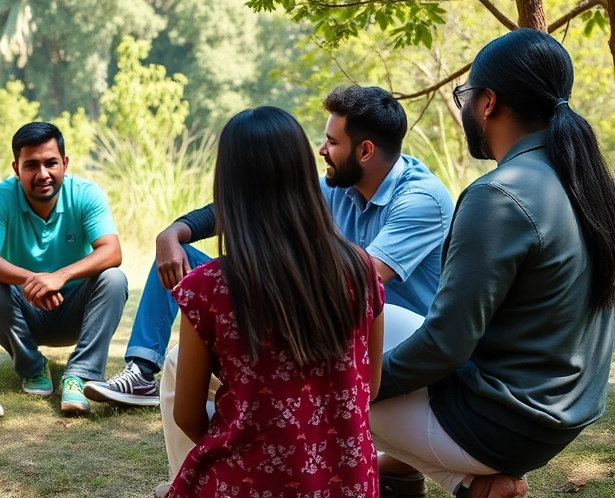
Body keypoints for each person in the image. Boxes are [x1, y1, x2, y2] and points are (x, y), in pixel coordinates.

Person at [86, 85, 451, 409]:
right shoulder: (338, 185)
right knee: (180, 264)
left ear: (366, 150)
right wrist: (173, 233)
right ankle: (140, 370)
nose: (322, 150)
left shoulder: (419, 200)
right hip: (326, 317)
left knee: (218, 313)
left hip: (388, 333)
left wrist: (248, 290)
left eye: (333, 143)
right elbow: (254, 206)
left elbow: (361, 279)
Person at [372, 29, 615, 498]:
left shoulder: (499, 196)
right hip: (557, 415)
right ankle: (467, 484)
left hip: (497, 422)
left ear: (486, 103)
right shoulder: (585, 184)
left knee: (316, 380)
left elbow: (446, 346)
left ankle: (462, 475)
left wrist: (356, 385)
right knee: (378, 323)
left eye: (464, 95)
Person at [167, 106, 385, 497]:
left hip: (247, 483)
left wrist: (246, 439)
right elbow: (368, 388)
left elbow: (186, 415)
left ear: (228, 184)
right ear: (303, 174)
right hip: (350, 484)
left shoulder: (210, 288)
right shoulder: (361, 270)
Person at [0, 121, 128, 414]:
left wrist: (61, 276)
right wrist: (36, 281)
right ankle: (33, 366)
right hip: (26, 311)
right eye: (31, 165)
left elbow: (112, 251)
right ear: (16, 168)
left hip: (76, 312)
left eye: (51, 163)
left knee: (114, 279)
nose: (42, 174)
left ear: (65, 164)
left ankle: (79, 375)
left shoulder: (86, 193)